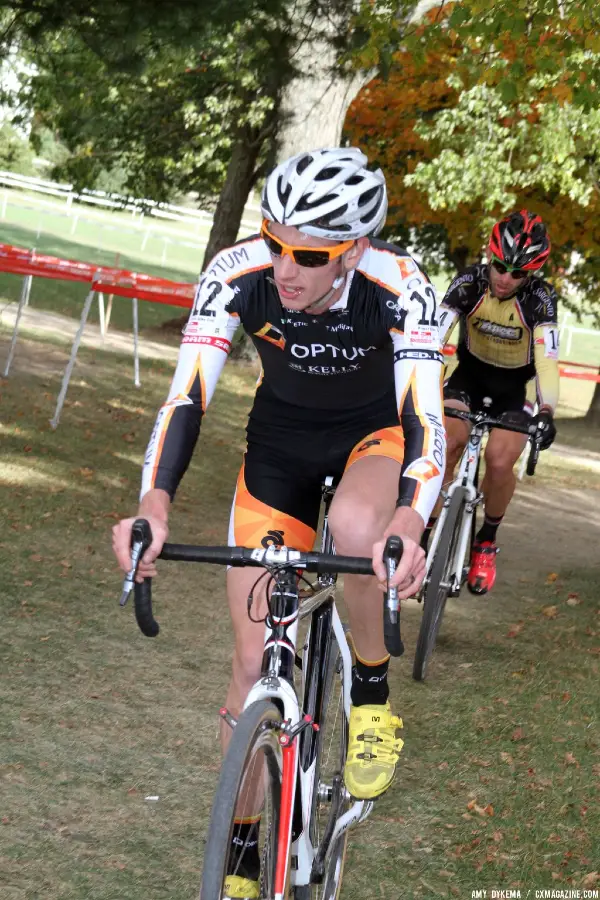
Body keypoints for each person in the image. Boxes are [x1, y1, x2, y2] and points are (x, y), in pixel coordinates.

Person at [113, 147, 446, 899]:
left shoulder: (401, 289)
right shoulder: (237, 274)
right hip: (279, 450)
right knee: (251, 663)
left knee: (361, 529)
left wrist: (410, 520)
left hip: (374, 439)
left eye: (308, 254)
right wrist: (154, 503)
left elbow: (424, 416)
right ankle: (237, 854)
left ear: (353, 252)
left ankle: (369, 689)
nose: (285, 268)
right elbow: (187, 396)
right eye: (274, 242)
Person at [428, 210, 559, 595]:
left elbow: (548, 363)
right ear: (489, 256)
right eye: (500, 266)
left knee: (501, 461)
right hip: (467, 379)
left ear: (531, 275)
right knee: (447, 445)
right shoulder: (469, 281)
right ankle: (426, 527)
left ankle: (486, 540)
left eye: (517, 273)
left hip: (514, 392)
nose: (505, 279)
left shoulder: (540, 299)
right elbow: (435, 336)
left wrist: (547, 411)